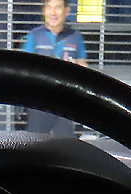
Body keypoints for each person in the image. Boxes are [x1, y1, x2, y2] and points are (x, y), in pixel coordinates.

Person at [21, 0, 87, 135]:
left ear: (67, 11)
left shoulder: (75, 36)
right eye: (49, 8)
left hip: (66, 102)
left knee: (65, 143)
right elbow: (24, 67)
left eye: (57, 8)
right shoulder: (34, 36)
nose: (53, 13)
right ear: (44, 11)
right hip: (38, 102)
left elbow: (83, 66)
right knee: (36, 141)